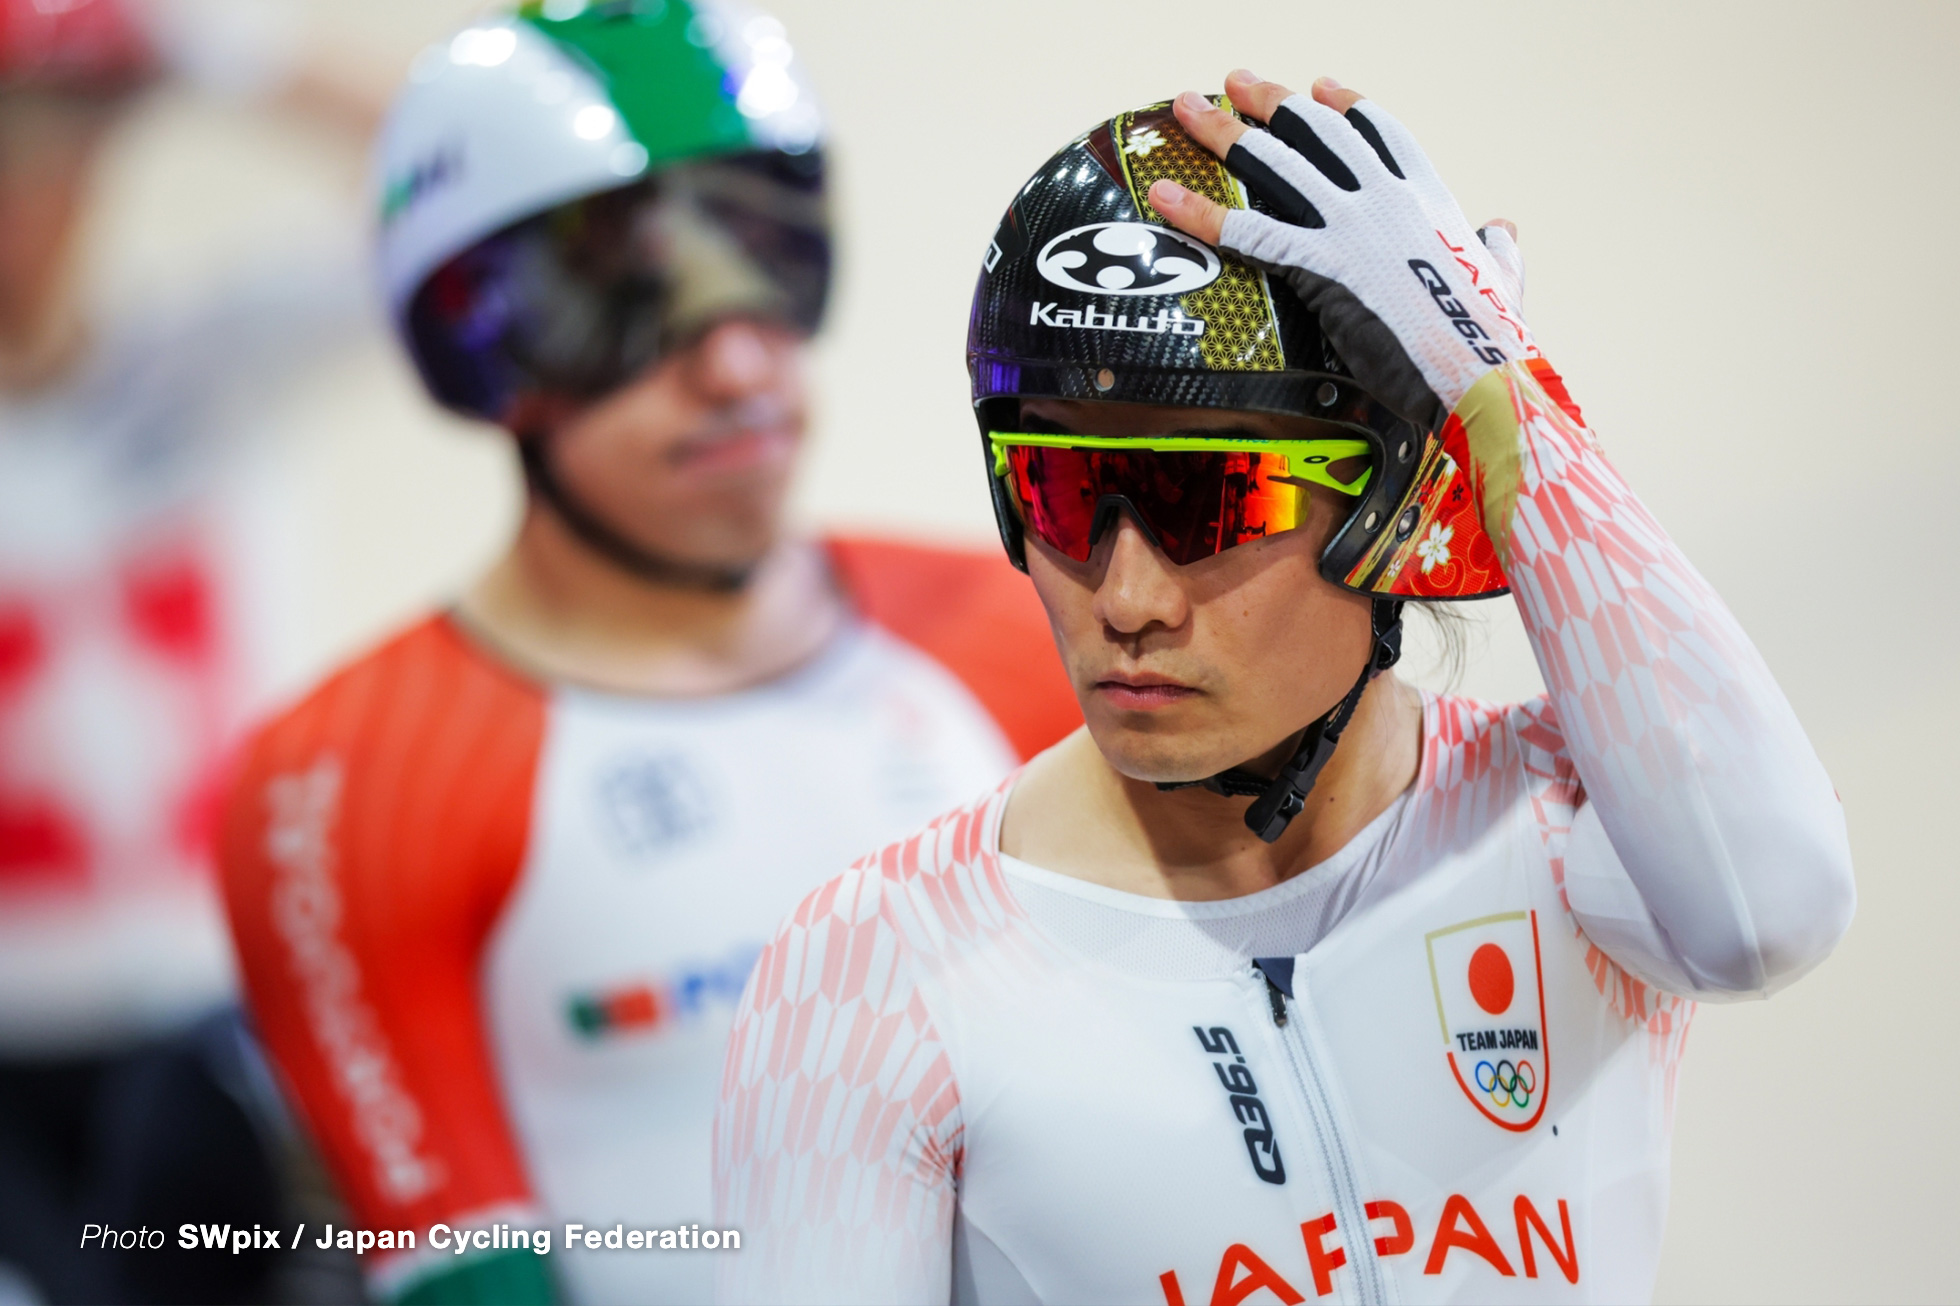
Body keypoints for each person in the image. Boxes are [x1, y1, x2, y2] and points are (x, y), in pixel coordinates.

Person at [713, 73, 1856, 1304]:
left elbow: (1769, 911)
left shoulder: (1573, 820)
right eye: (1055, 494)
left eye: (1209, 500)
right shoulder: (870, 969)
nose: (1126, 598)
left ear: (1392, 502)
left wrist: (1493, 382)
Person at [217, 5, 1079, 1304]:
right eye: (627, 296)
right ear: (480, 343)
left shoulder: (1033, 626)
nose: (737, 361)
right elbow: (460, 1274)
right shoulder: (346, 780)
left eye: (769, 258)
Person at [0, 2, 385, 1301]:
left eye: (48, 159)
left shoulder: (204, 360)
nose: (23, 207)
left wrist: (210, 45)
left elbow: (471, 196)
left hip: (212, 1013)